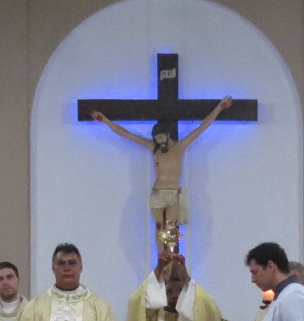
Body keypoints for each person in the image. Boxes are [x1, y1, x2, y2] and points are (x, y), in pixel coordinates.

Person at [90, 96, 235, 231]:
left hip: (173, 192)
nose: (158, 141)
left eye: (160, 137)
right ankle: (161, 250)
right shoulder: (154, 148)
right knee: (159, 228)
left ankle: (170, 250)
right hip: (158, 192)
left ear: (168, 134)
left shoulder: (180, 147)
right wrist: (106, 121)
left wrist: (219, 107)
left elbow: (202, 127)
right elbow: (127, 134)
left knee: (170, 229)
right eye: (156, 138)